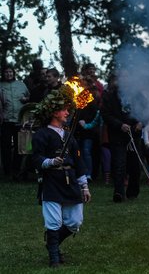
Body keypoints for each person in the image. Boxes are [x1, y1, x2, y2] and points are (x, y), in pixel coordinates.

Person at [31, 86, 91, 267]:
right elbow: (36, 158)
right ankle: (54, 257)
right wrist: (50, 162)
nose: (67, 112)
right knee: (54, 221)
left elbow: (78, 163)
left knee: (75, 222)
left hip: (70, 180)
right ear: (54, 112)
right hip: (52, 181)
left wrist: (84, 186)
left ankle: (52, 243)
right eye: (64, 109)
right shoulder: (42, 134)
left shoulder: (69, 136)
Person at [101, 73, 143, 202]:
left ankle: (132, 192)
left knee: (135, 166)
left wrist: (142, 122)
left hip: (134, 136)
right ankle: (119, 192)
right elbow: (105, 114)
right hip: (118, 136)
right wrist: (119, 125)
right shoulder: (109, 96)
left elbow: (147, 111)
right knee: (119, 165)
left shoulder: (137, 95)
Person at [0, 66, 28, 179]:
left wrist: (26, 99)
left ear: (14, 73)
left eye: (10, 72)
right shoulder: (0, 85)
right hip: (5, 120)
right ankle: (7, 171)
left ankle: (16, 170)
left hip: (19, 120)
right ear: (3, 74)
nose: (8, 74)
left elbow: (28, 97)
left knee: (19, 146)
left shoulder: (21, 84)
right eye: (6, 72)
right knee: (5, 146)